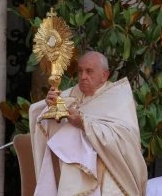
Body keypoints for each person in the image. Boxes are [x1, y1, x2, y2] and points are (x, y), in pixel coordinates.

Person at [29, 51, 147, 196]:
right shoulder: (69, 95)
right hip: (73, 175)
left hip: (110, 173)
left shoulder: (118, 98)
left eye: (89, 71)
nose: (83, 76)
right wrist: (50, 107)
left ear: (104, 75)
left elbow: (126, 140)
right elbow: (49, 128)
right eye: (80, 71)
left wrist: (84, 124)